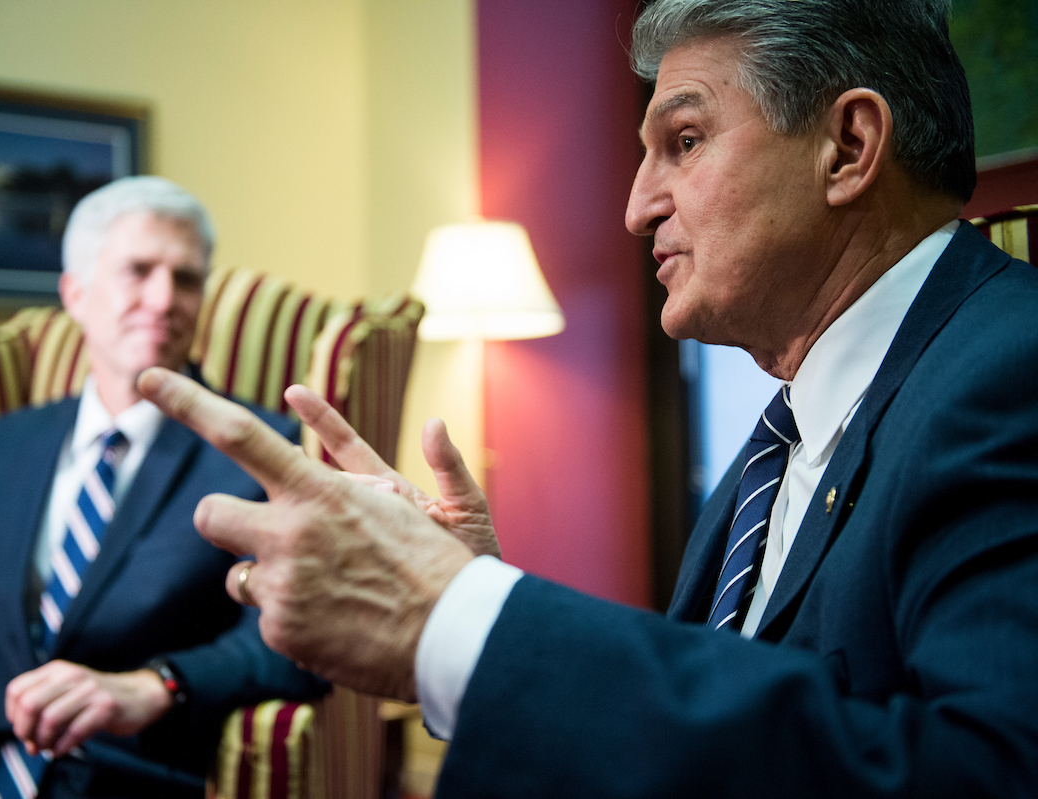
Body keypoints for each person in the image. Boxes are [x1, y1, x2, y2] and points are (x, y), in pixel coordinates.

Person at [140, 0, 1038, 795]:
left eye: (683, 143)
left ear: (846, 147)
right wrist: (477, 592)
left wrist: (464, 621)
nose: (636, 207)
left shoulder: (1010, 373)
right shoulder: (785, 433)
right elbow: (722, 720)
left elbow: (986, 769)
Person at [0, 177, 326, 799]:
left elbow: (295, 634)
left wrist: (159, 684)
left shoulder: (256, 448)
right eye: (138, 270)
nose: (162, 298)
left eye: (186, 278)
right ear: (75, 292)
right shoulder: (3, 447)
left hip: (131, 775)